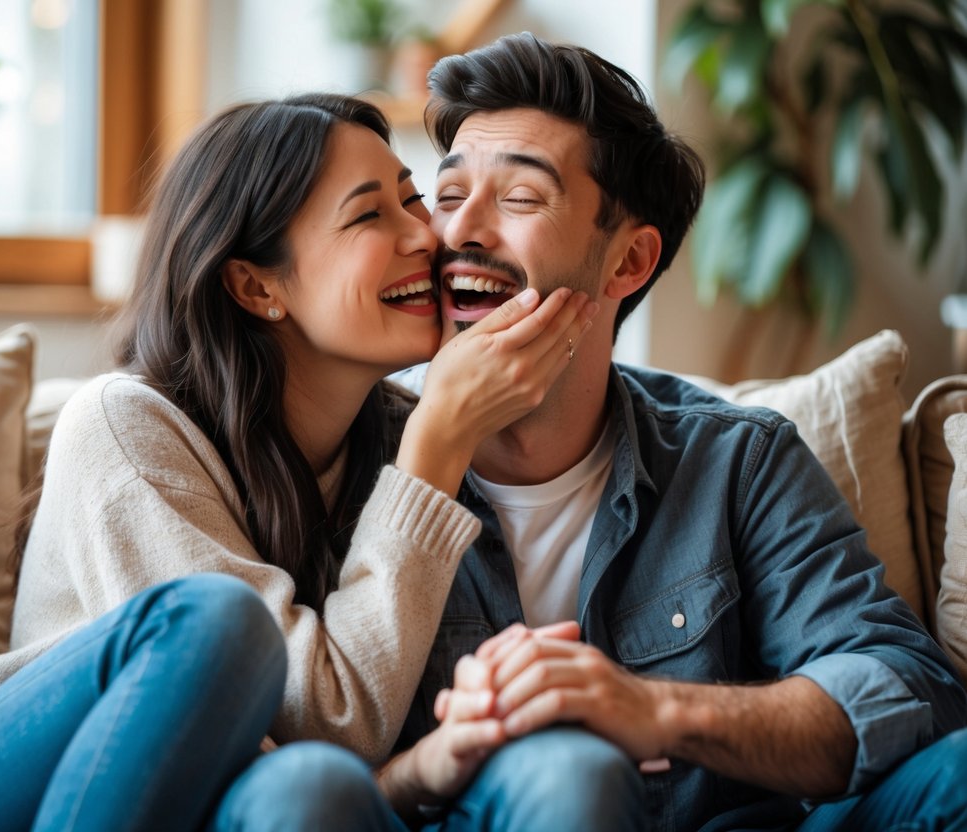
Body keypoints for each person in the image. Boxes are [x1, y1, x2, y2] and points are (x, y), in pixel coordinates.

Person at [376, 32, 967, 831]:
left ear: (627, 262)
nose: (461, 233)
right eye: (446, 198)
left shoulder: (736, 460)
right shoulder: (353, 458)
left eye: (517, 199)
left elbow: (905, 685)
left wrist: (656, 711)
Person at [0, 92, 597, 828]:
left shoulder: (391, 436)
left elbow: (310, 777)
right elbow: (330, 720)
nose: (428, 236)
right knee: (221, 623)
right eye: (369, 215)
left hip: (242, 806)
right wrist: (438, 445)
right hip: (9, 798)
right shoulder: (124, 426)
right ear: (256, 285)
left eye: (412, 199)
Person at [0, 573, 292, 830]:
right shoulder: (122, 417)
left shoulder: (352, 463)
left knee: (321, 791)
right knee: (219, 620)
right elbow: (324, 715)